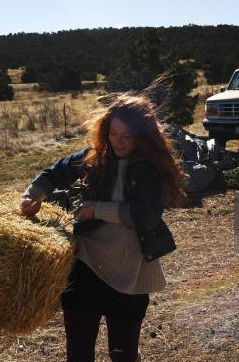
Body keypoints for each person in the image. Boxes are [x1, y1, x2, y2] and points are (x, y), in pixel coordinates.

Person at [19, 93, 186, 362]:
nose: (117, 142)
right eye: (113, 133)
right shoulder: (94, 157)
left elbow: (147, 215)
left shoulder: (151, 168)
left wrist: (97, 210)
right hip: (86, 265)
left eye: (127, 136)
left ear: (142, 137)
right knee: (78, 354)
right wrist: (32, 196)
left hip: (130, 271)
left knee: (123, 355)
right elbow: (53, 173)